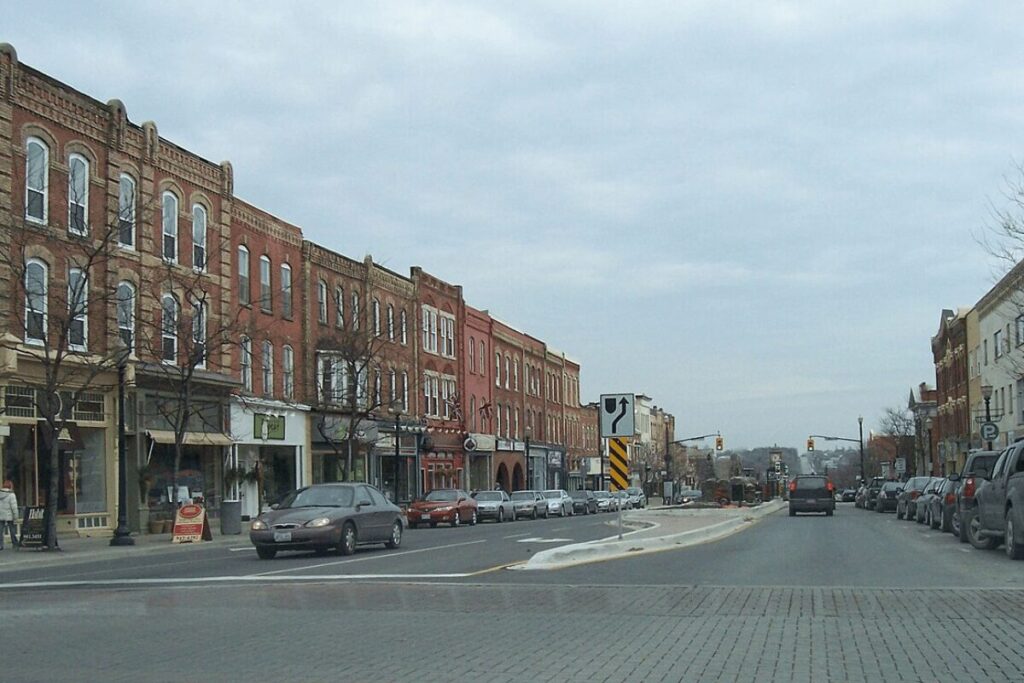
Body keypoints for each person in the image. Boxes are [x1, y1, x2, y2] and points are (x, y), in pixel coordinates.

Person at [0, 480, 19, 550]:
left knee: (0, 531)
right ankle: (15, 543)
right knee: (12, 530)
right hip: (9, 515)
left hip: (1, 515)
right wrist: (16, 516)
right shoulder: (11, 495)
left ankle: (0, 545)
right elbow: (14, 507)